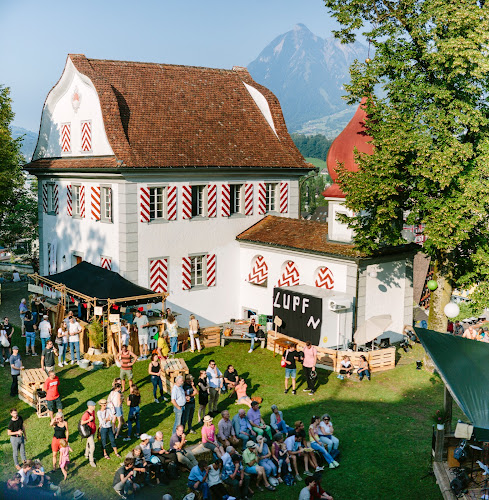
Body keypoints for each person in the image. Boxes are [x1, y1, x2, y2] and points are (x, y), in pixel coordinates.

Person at [80, 400, 97, 467]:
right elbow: (82, 423)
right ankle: (91, 460)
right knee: (92, 446)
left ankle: (86, 454)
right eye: (93, 406)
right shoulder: (86, 414)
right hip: (89, 432)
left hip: (93, 430)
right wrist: (89, 420)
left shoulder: (93, 412)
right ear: (89, 406)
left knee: (88, 443)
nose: (94, 407)